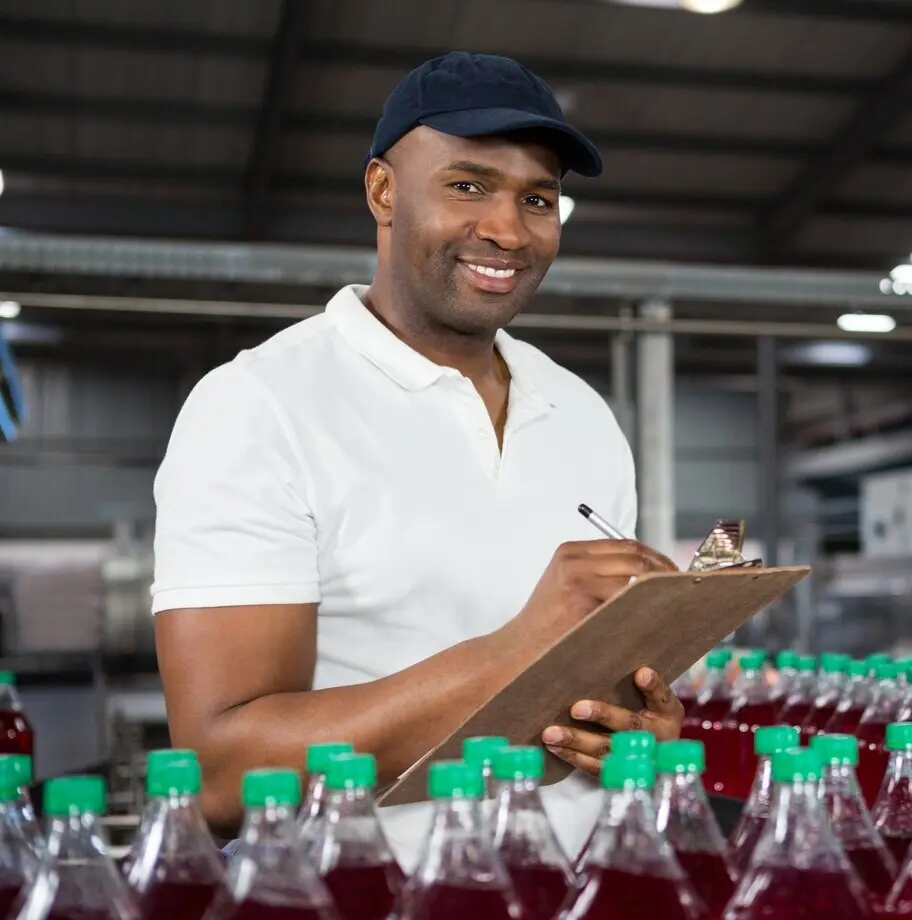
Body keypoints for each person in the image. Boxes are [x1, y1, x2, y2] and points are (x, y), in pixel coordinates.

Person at [150, 52, 684, 869]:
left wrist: (634, 728)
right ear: (383, 192)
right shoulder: (260, 406)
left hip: (575, 886)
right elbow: (222, 776)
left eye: (538, 199)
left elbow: (587, 696)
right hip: (362, 893)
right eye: (468, 186)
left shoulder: (580, 412)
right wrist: (516, 649)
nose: (508, 229)